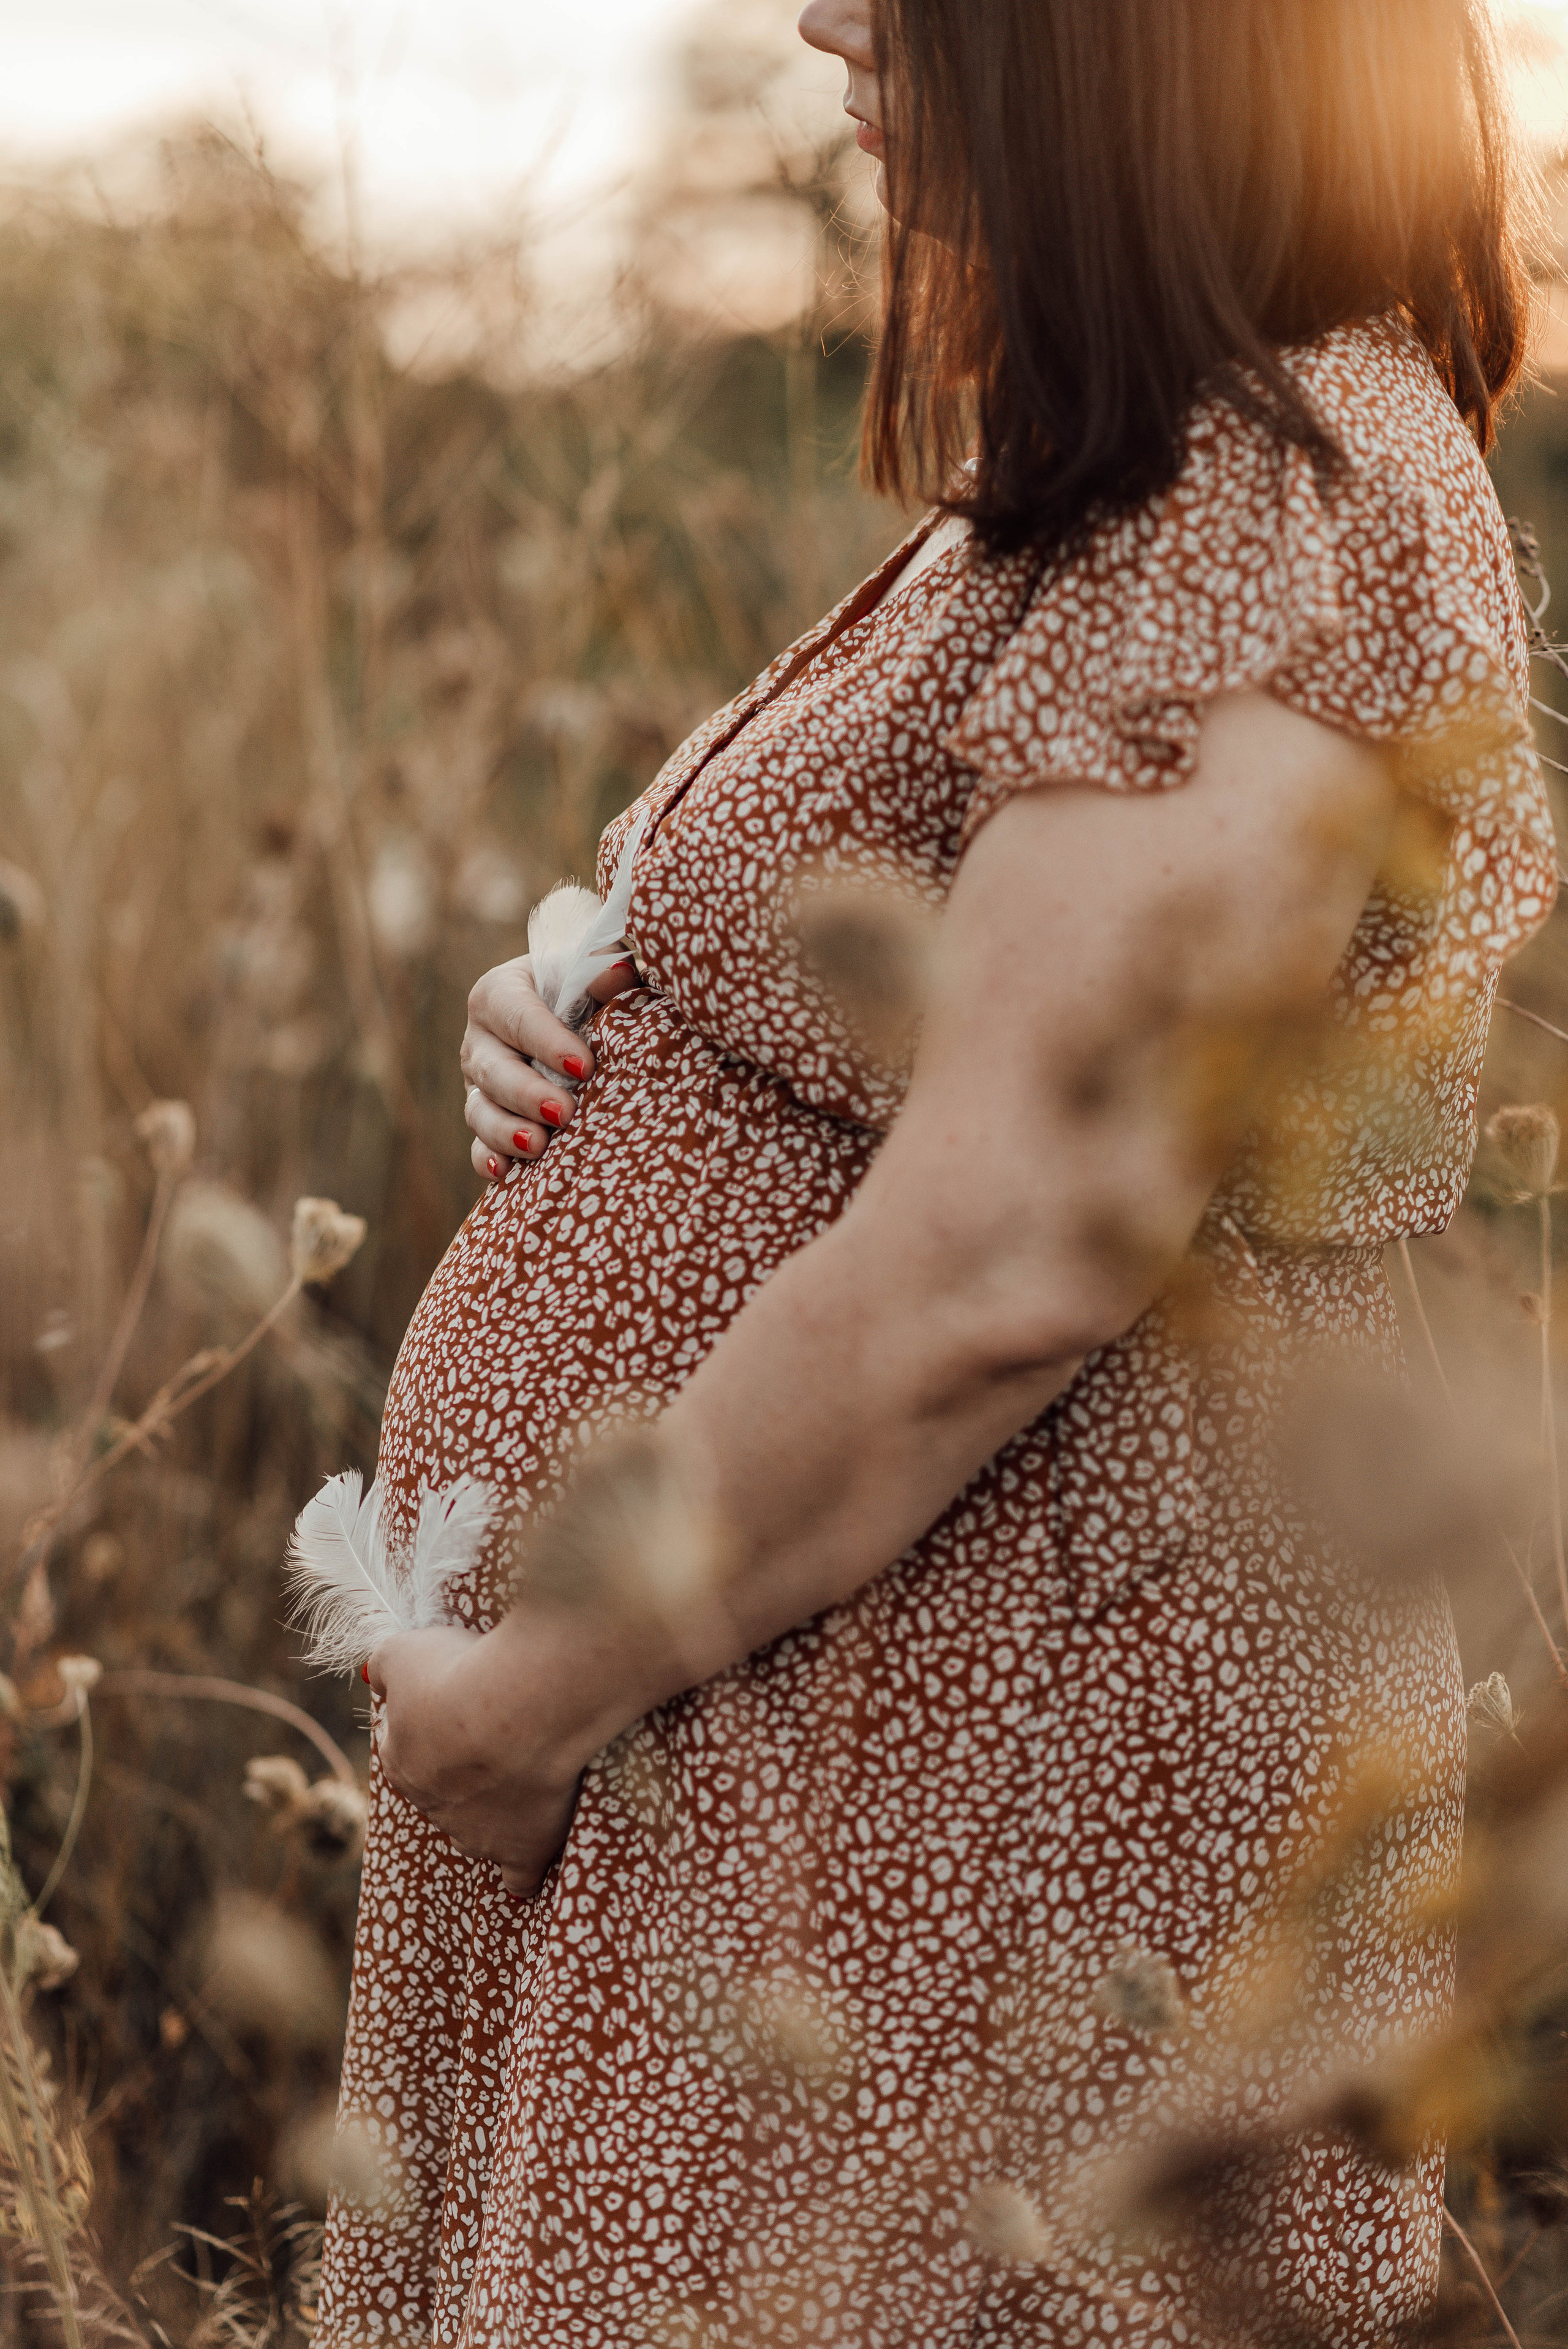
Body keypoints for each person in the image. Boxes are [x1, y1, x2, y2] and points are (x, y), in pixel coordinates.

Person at [317, 0, 1558, 2340]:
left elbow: (1019, 1242)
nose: (827, 16)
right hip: (818, 1693)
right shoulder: (1154, 466)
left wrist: (542, 1688)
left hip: (968, 1741)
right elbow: (930, 1024)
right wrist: (598, 997)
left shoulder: (1268, 496)